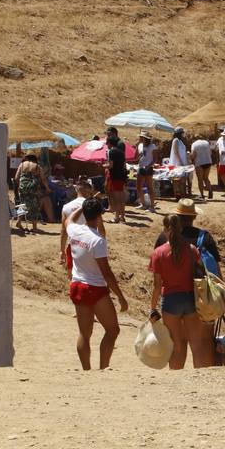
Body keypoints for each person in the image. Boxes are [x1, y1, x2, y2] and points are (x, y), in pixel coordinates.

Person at [64, 197, 128, 370]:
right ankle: (103, 367)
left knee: (84, 334)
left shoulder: (74, 231)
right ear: (99, 215)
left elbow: (68, 219)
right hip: (95, 288)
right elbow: (106, 272)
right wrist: (121, 296)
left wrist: (82, 209)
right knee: (113, 330)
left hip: (77, 285)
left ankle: (86, 370)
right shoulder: (98, 240)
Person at [148, 214, 212, 370]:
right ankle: (200, 377)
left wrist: (153, 307)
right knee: (196, 343)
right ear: (181, 228)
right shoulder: (191, 250)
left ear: (165, 229)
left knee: (176, 344)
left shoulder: (159, 253)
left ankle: (177, 379)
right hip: (190, 299)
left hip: (170, 301)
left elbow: (157, 285)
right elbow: (201, 272)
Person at [13, 153, 44, 235]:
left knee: (23, 205)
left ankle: (19, 222)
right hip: (33, 189)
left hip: (23, 188)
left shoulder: (22, 165)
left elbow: (16, 178)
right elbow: (43, 179)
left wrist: (18, 188)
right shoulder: (37, 166)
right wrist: (47, 188)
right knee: (35, 206)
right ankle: (34, 227)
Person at [104, 127, 129, 223]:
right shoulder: (121, 151)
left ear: (109, 143)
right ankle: (121, 217)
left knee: (117, 198)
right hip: (121, 175)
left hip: (115, 176)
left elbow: (110, 165)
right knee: (121, 198)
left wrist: (103, 165)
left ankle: (117, 217)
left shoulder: (112, 151)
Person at [134, 130, 159, 212]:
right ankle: (143, 204)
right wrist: (136, 147)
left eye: (141, 137)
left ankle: (152, 206)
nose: (139, 138)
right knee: (138, 187)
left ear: (144, 138)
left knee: (149, 187)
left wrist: (148, 166)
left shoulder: (152, 146)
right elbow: (136, 157)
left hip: (148, 168)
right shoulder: (140, 145)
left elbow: (155, 159)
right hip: (141, 167)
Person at [168, 127, 191, 199]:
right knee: (176, 180)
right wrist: (180, 162)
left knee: (182, 180)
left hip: (182, 163)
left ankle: (182, 195)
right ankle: (177, 195)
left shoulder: (180, 141)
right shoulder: (175, 140)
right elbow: (175, 152)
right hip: (177, 163)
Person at [190, 132, 213, 200]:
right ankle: (210, 191)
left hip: (199, 163)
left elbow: (194, 155)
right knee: (206, 178)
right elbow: (211, 153)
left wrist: (189, 156)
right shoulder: (206, 142)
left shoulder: (194, 144)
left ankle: (202, 195)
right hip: (208, 162)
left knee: (200, 180)